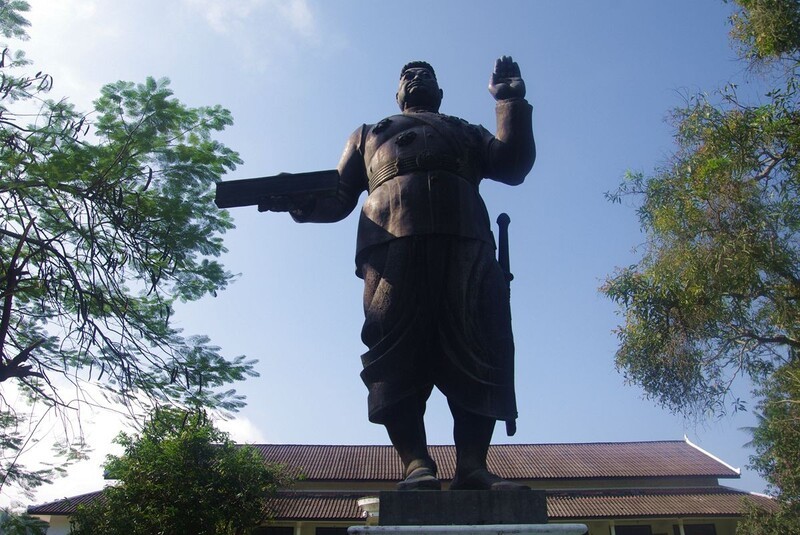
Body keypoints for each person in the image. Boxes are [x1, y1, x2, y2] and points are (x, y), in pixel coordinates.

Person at [267, 56, 535, 490]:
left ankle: (473, 466)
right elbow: (338, 197)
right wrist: (298, 201)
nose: (417, 78)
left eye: (426, 75)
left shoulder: (466, 132)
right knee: (392, 348)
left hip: (465, 238)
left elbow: (513, 165)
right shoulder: (369, 135)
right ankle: (414, 462)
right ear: (397, 94)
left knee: (481, 346)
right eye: (408, 76)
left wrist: (509, 102)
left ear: (440, 94)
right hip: (390, 242)